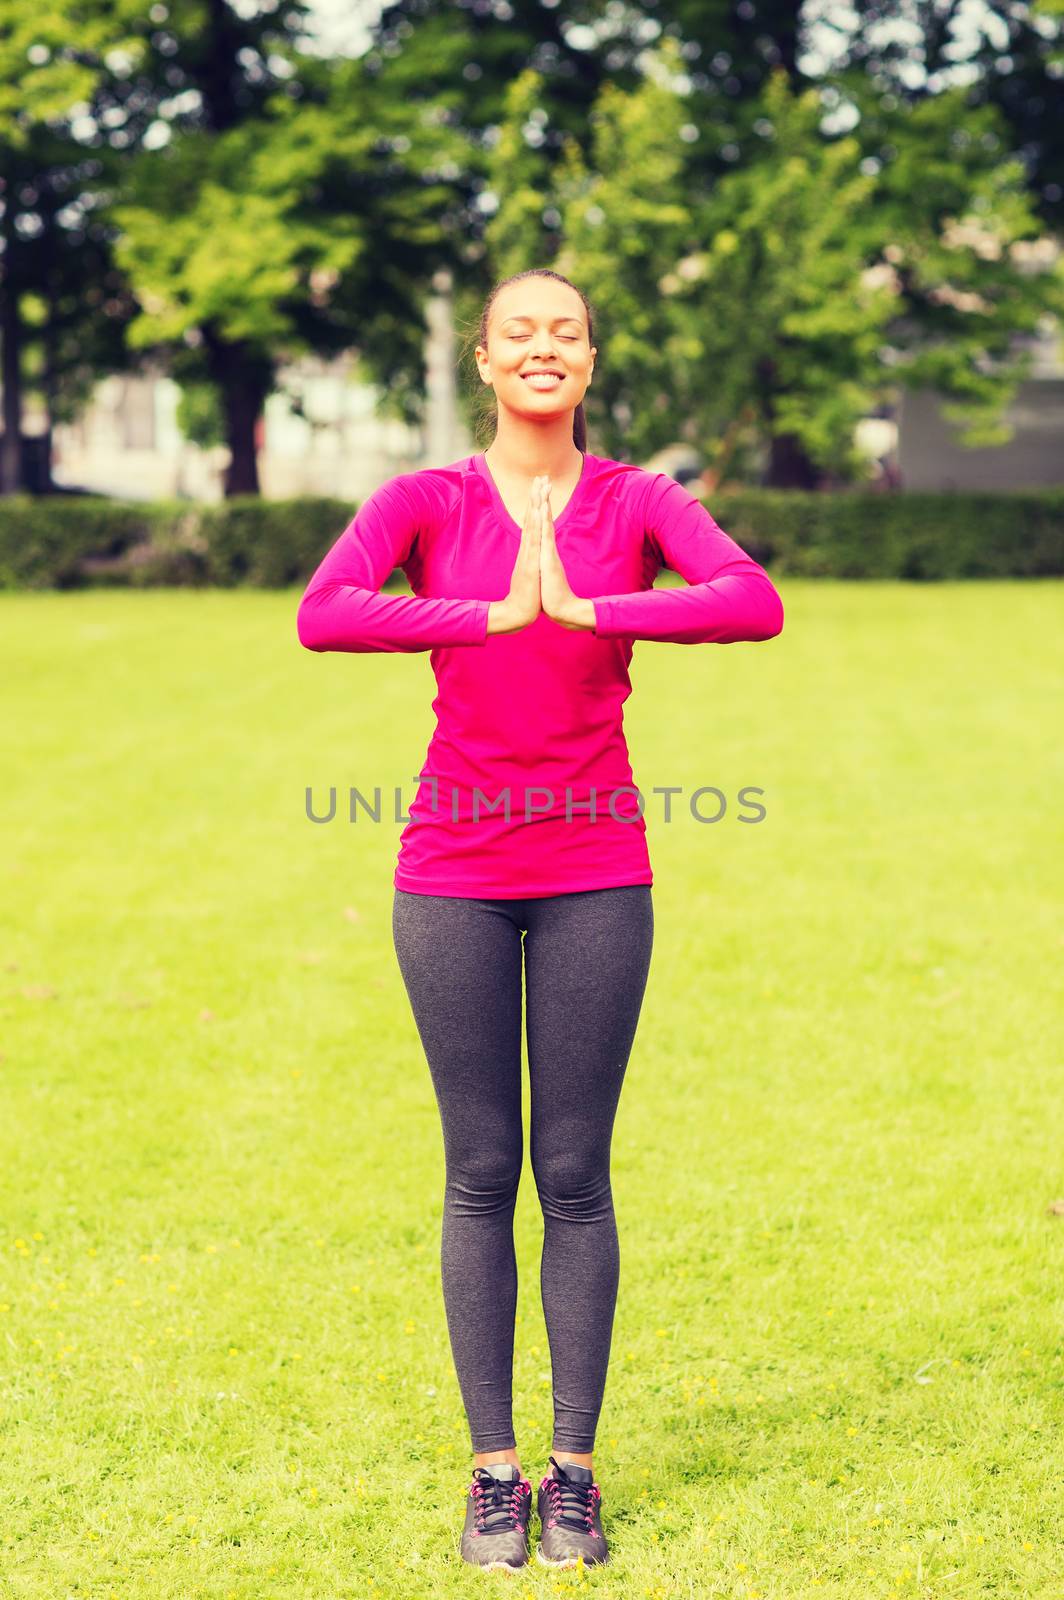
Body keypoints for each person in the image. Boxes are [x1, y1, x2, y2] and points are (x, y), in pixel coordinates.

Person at [295, 268, 785, 1571]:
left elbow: (752, 598)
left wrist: (591, 606)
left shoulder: (636, 501)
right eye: (521, 332)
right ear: (484, 356)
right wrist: (482, 612)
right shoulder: (428, 501)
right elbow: (323, 611)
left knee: (573, 1175)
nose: (543, 349)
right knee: (475, 1171)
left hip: (594, 871)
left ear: (588, 357)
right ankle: (492, 1473)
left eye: (564, 332)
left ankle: (573, 1474)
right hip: (452, 869)